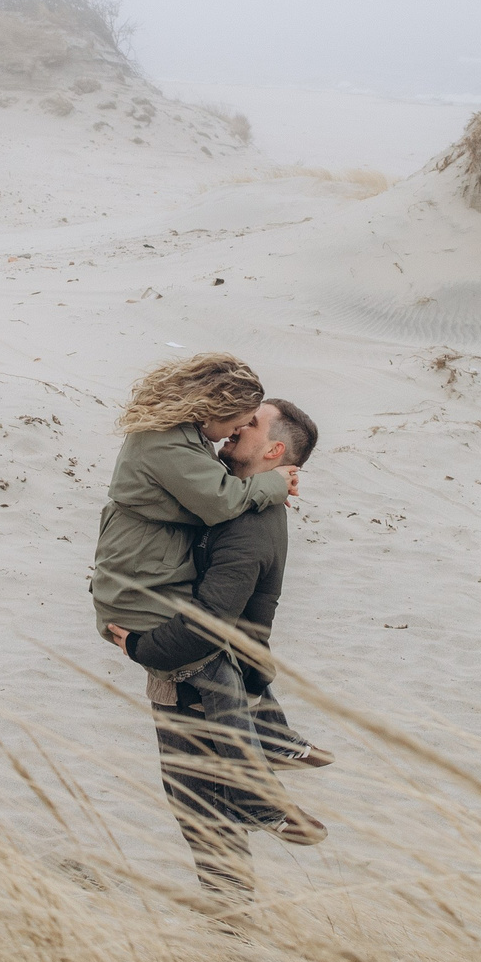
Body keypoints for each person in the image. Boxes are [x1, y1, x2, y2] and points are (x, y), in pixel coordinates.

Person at [109, 398, 329, 903]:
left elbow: (207, 626)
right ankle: (233, 910)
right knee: (205, 806)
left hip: (193, 685)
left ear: (273, 450)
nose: (233, 427)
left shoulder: (246, 525)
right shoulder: (244, 499)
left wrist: (141, 646)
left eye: (248, 424)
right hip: (212, 680)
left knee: (200, 810)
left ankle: (230, 923)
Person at [87, 352, 296, 656]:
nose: (236, 431)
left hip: (141, 565)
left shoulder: (180, 434)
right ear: (216, 411)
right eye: (240, 422)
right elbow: (221, 500)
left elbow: (206, 484)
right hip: (137, 579)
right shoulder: (169, 442)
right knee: (205, 670)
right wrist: (273, 483)